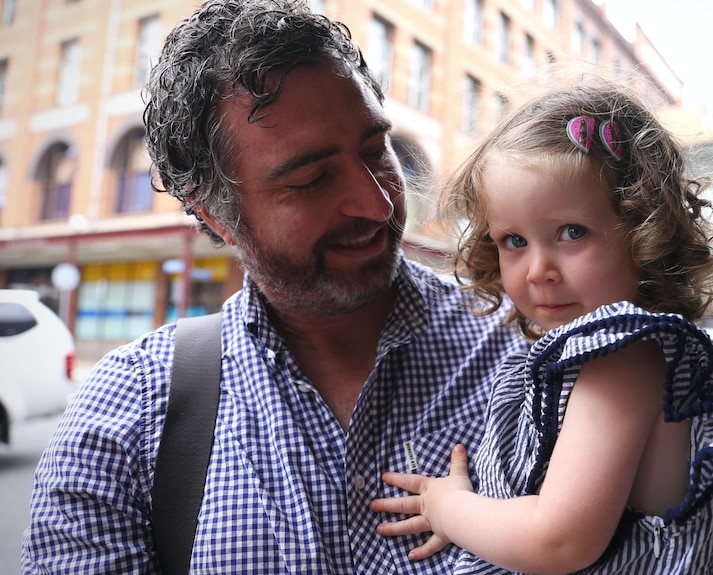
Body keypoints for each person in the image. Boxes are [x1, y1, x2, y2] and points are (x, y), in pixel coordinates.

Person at [20, 1, 527, 573]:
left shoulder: (527, 347)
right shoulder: (128, 419)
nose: (376, 201)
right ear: (214, 214)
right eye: (311, 179)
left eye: (373, 151)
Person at [371, 76, 713, 574]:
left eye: (571, 233)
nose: (538, 270)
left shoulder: (622, 359)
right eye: (513, 240)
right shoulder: (593, 358)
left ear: (644, 233)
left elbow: (558, 542)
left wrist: (448, 508)